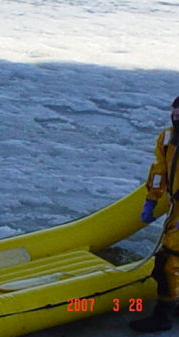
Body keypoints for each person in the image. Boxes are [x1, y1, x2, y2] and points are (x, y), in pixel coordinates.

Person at [130, 96, 179, 332]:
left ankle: (164, 315)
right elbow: (160, 169)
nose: (176, 118)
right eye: (174, 113)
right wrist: (151, 199)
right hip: (175, 206)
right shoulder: (167, 138)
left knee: (167, 262)